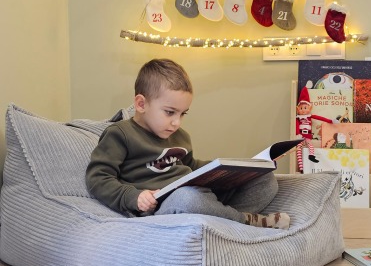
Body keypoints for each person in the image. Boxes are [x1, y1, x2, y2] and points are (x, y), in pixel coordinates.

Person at [86, 58, 289, 229]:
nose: (176, 122)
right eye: (169, 112)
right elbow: (98, 178)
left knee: (266, 181)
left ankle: (220, 219)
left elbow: (190, 168)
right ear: (141, 104)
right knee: (188, 198)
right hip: (164, 206)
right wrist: (133, 197)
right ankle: (242, 220)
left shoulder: (181, 136)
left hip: (201, 196)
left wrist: (238, 168)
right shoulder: (120, 134)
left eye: (183, 114)